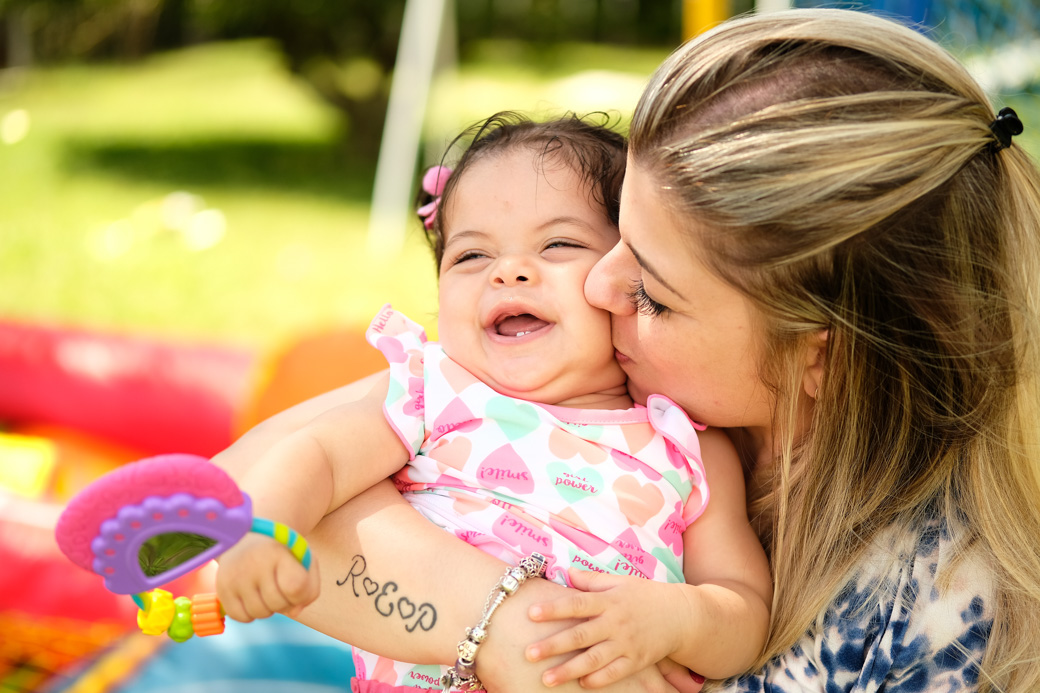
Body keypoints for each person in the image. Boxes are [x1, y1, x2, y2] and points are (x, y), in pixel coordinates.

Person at [213, 8, 1040, 692]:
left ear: (818, 358)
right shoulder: (464, 387)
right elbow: (232, 491)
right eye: (617, 242)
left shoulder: (919, 614)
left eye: (651, 290)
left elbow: (734, 612)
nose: (600, 287)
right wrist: (501, 625)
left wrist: (658, 624)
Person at [214, 113, 771, 692]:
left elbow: (745, 609)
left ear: (625, 275)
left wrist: (679, 618)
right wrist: (263, 529)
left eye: (558, 244)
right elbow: (320, 456)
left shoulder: (685, 445)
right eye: (471, 256)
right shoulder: (433, 391)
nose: (508, 272)